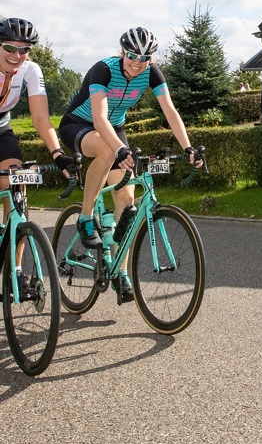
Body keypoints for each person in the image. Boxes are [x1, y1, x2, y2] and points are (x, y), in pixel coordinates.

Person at [58, 26, 203, 302]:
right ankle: (86, 217)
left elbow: (170, 111)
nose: (138, 62)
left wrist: (188, 147)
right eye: (132, 55)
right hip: (79, 124)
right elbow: (99, 118)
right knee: (106, 151)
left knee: (127, 202)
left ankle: (120, 272)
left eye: (145, 58)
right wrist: (119, 149)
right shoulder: (103, 70)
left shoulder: (151, 73)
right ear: (122, 52)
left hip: (114, 128)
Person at [0, 17, 76, 253]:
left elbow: (41, 119)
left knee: (16, 183)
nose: (16, 55)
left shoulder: (30, 70)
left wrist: (57, 154)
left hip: (1, 128)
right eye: (10, 48)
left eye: (24, 50)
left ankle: (16, 270)